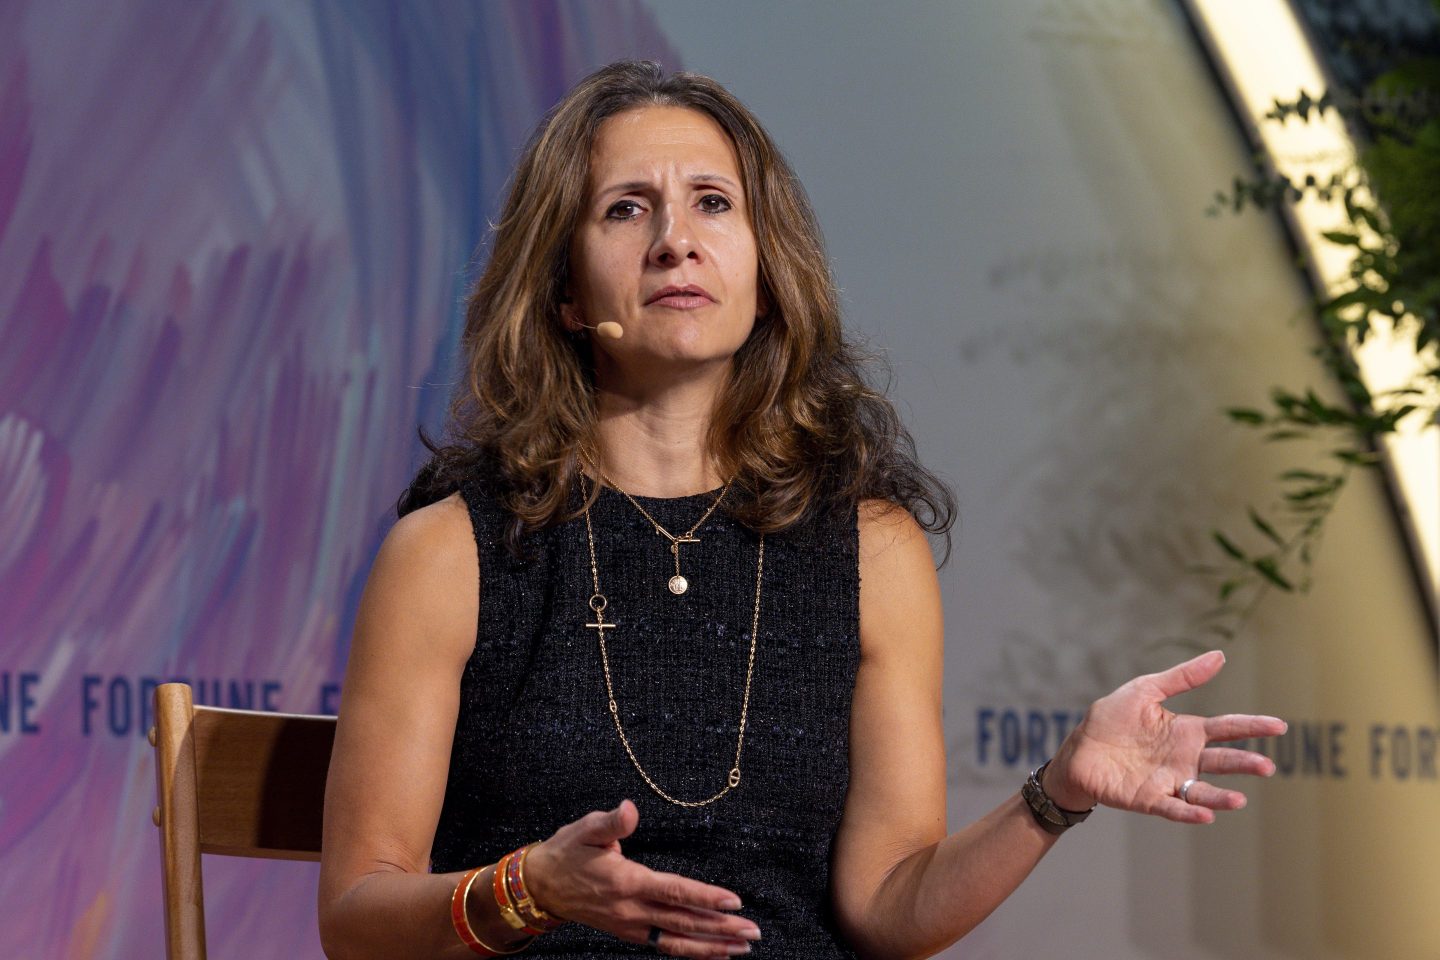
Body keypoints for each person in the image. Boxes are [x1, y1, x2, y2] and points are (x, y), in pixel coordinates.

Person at [316, 60, 1286, 960]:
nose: (675, 241)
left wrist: (1057, 792)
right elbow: (357, 916)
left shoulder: (867, 548)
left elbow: (891, 906)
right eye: (625, 209)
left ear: (764, 271)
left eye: (711, 204)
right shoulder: (451, 553)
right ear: (566, 294)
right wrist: (530, 889)